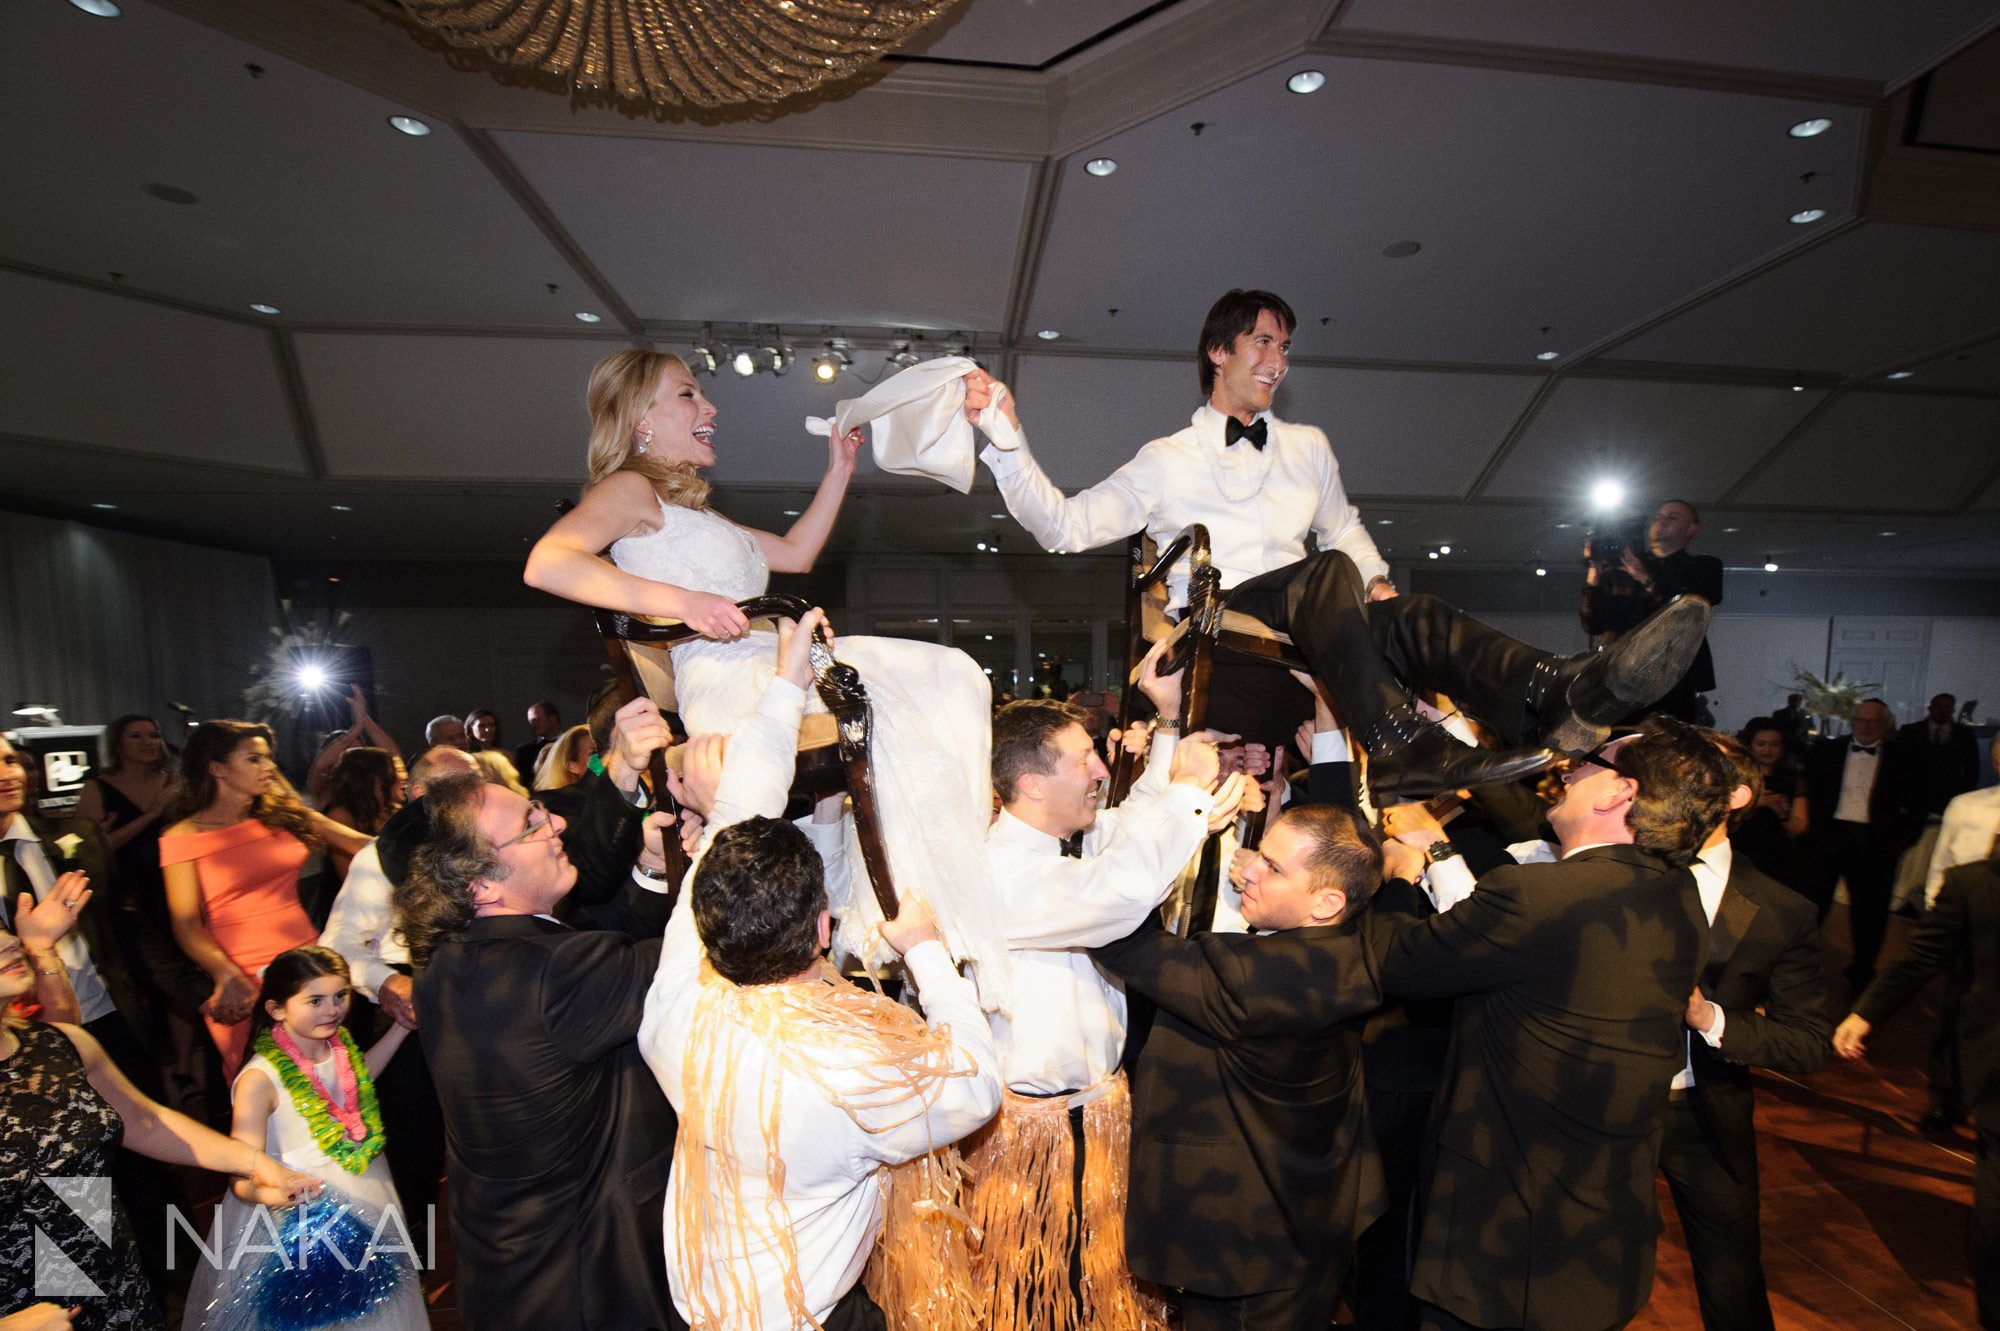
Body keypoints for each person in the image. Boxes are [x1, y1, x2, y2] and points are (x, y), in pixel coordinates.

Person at [963, 290, 1710, 800]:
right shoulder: (1165, 458)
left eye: (1284, 346)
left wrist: (1378, 581)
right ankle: (1397, 742)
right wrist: (1004, 442)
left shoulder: (1309, 445)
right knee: (1323, 576)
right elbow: (1061, 527)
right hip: (1222, 626)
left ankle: (1557, 686)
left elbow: (1345, 527)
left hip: (1313, 629)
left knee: (1412, 614)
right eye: (1262, 341)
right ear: (1217, 352)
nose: (1277, 359)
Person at [524, 348, 1009, 998]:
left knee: (955, 677)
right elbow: (547, 562)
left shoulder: (696, 513)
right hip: (732, 684)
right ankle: (917, 914)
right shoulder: (628, 488)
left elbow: (798, 552)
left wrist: (839, 470)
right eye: (690, 395)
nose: (710, 408)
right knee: (942, 680)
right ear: (641, 417)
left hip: (771, 661)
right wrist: (685, 604)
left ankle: (939, 901)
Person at [640, 618, 1001, 1331]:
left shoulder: (674, 1007)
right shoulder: (849, 1070)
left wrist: (784, 687)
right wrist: (924, 949)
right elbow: (978, 1081)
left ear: (702, 920)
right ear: (823, 927)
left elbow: (736, 814)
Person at [1377, 718, 1731, 1331]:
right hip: (1600, 1244)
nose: (1566, 772)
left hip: (1504, 1254)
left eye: (1588, 762)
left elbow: (1395, 963)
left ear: (1619, 793)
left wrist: (1399, 879)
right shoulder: (1678, 900)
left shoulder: (1541, 893)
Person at [968, 644, 1247, 1331]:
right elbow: (1118, 891)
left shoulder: (1061, 843)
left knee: (1094, 1291)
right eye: (1083, 761)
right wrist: (1186, 795)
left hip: (1092, 1117)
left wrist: (1172, 723)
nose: (1101, 769)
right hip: (1030, 1138)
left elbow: (1129, 827)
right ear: (1032, 784)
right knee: (1039, 1299)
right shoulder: (1002, 871)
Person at [397, 718, 682, 1331]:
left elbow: (604, 963)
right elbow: (687, 956)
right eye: (531, 827)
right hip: (591, 1279)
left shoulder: (444, 962)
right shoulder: (555, 974)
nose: (556, 825)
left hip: (508, 1271)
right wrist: (719, 840)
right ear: (482, 886)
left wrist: (653, 869)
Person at [1089, 804, 1388, 1331]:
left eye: (1274, 869)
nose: (1248, 869)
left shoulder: (1259, 979)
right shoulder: (1349, 945)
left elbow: (1123, 940)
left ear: (1327, 902)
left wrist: (1168, 806)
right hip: (1305, 1218)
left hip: (1251, 1249)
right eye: (1260, 856)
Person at [2, 911, 318, 1331]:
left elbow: (145, 1121)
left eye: (3, 931)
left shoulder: (59, 1043)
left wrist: (256, 1163)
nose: (9, 941)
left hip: (112, 1284)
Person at [1656, 734, 1830, 1331]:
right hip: (1599, 1104)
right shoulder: (1615, 868)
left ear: (1735, 795)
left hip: (1703, 1113)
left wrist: (1713, 1020)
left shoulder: (1781, 910)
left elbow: (1808, 1043)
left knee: (1733, 1293)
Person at [183, 946, 424, 1331]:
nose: (332, 1010)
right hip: (300, 1215)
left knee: (374, 1308)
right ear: (277, 1009)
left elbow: (353, 1087)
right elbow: (240, 1175)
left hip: (366, 1187)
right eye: (315, 1000)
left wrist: (400, 1029)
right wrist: (278, 1196)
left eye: (340, 996)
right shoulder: (259, 1080)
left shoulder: (337, 1045)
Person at [1833, 843, 2000, 1331]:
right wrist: (1866, 1012)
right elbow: (1921, 958)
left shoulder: (1974, 882)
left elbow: (1922, 959)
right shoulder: (1974, 884)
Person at [316, 745, 480, 1230]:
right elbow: (339, 942)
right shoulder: (383, 855)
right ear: (419, 795)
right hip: (412, 1012)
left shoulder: (493, 844)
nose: (475, 797)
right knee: (415, 1149)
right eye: (459, 787)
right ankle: (411, 1274)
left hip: (483, 1005)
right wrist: (387, 982)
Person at [159, 721, 369, 1077]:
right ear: (217, 769)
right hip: (243, 975)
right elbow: (185, 922)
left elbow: (363, 846)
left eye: (269, 758)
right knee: (271, 1083)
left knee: (332, 1073)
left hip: (308, 960)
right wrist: (223, 973)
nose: (269, 767)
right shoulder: (183, 836)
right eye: (254, 759)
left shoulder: (283, 816)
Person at [1801, 698, 1924, 989]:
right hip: (1828, 838)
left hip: (1875, 843)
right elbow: (1808, 790)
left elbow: (1918, 804)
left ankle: (1863, 970)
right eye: (1861, 720)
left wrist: (1899, 843)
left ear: (1886, 724)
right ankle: (1798, 966)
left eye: (1874, 721)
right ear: (1851, 721)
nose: (1866, 727)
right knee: (1810, 906)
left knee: (1870, 912)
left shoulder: (1904, 757)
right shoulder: (1825, 750)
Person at [1579, 499, 1723, 723]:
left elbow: (1688, 611)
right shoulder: (1622, 568)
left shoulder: (1703, 567)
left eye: (1672, 518)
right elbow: (1593, 624)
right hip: (1619, 676)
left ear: (1692, 529)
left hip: (1671, 677)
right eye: (1658, 517)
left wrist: (1643, 577)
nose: (1661, 522)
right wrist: (1594, 573)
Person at [1730, 716, 1811, 896]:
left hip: (1777, 857)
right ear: (1749, 744)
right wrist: (1752, 805)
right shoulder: (1735, 777)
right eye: (1761, 744)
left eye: (1775, 744)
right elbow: (1717, 818)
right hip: (1739, 853)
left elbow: (1800, 826)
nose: (1767, 750)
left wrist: (1784, 814)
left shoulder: (1792, 779)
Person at [320, 746, 405, 879]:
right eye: (396, 771)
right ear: (375, 780)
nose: (404, 776)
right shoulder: (340, 816)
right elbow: (351, 875)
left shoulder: (394, 810)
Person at [1901, 692, 1980, 818]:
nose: (1943, 710)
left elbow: (1972, 768)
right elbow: (1899, 766)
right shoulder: (1909, 731)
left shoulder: (1965, 734)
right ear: (1930, 708)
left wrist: (1965, 795)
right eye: (1939, 706)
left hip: (1950, 798)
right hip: (1914, 798)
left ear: (1953, 710)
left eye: (1947, 707)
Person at [531, 724, 594, 792]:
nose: (605, 758)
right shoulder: (560, 801)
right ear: (573, 766)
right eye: (593, 753)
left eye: (606, 750)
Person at [516, 701, 564, 781]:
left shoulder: (573, 744)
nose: (534, 725)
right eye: (531, 721)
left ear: (552, 718)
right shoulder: (524, 752)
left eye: (537, 719)